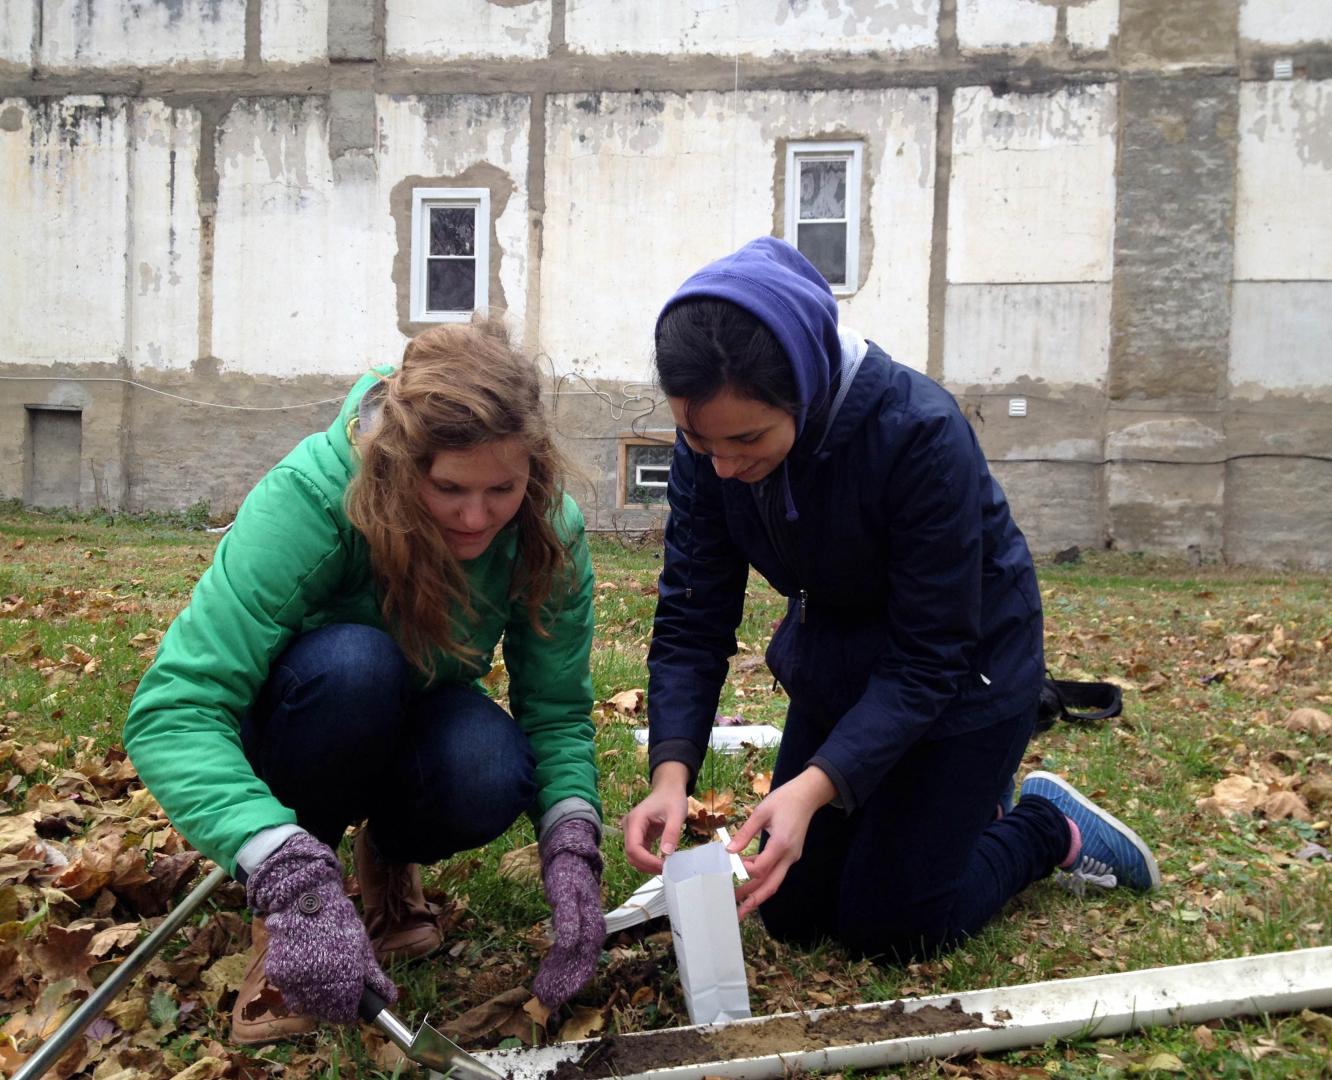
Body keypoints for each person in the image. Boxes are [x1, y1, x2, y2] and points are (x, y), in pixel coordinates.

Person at [622, 238, 1159, 960]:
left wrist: (811, 790)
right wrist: (672, 770)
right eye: (696, 439)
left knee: (891, 927)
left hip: (969, 676)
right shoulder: (710, 450)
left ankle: (1040, 825)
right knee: (792, 910)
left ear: (805, 389)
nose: (722, 464)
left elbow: (931, 655)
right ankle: (952, 812)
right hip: (842, 666)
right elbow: (693, 614)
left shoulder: (919, 435)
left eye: (746, 439)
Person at [125, 318, 605, 1044]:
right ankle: (295, 900)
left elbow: (558, 712)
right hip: (300, 720)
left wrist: (572, 844)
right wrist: (277, 864)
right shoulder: (313, 497)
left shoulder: (547, 530)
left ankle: (385, 860)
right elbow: (174, 708)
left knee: (490, 765)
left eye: (502, 488)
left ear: (534, 467)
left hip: (411, 714)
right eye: (448, 488)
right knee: (355, 666)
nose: (477, 517)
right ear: (401, 462)